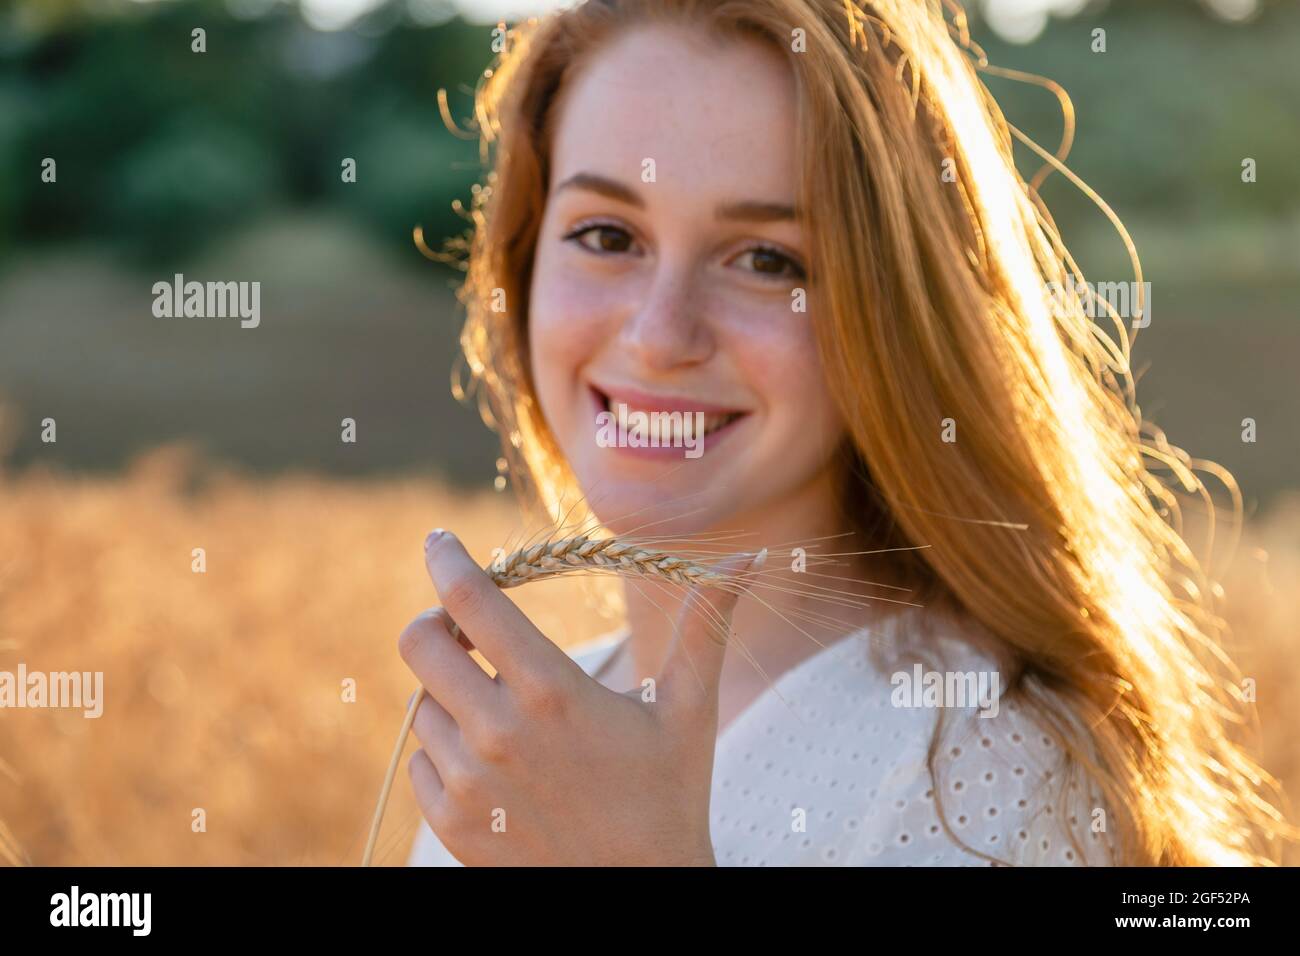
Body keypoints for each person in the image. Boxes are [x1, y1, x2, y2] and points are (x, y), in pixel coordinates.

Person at [399, 0, 1286, 866]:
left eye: (766, 260)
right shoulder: (514, 741)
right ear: (521, 258)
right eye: (605, 235)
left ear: (891, 315)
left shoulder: (987, 772)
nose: (659, 335)